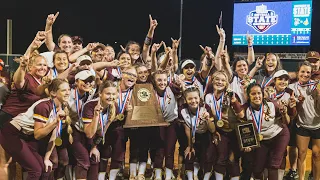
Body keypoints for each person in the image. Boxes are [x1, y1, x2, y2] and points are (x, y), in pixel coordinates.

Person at [0, 78, 70, 180]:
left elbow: (54, 136)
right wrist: (55, 122)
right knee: (35, 170)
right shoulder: (44, 106)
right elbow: (38, 134)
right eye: (64, 90)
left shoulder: (60, 109)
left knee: (45, 168)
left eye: (69, 90)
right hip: (12, 133)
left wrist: (46, 158)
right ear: (53, 93)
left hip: (26, 135)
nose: (68, 93)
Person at [243, 83, 292, 180]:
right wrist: (248, 145)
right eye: (253, 94)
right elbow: (246, 132)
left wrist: (284, 114)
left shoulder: (272, 105)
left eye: (259, 93)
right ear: (248, 96)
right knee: (257, 169)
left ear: (262, 94)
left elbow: (287, 122)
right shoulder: (246, 110)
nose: (257, 96)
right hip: (263, 139)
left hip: (279, 136)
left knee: (273, 165)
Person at [204, 71, 244, 180]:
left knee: (232, 159)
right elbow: (210, 116)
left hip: (234, 132)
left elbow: (241, 115)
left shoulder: (232, 95)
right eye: (217, 79)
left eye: (223, 80)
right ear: (212, 81)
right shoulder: (208, 97)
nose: (220, 82)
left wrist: (234, 102)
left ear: (227, 83)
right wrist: (213, 132)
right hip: (220, 132)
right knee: (218, 157)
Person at [288, 61, 320, 180]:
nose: (305, 74)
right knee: (301, 154)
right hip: (302, 125)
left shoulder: (316, 87)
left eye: (308, 72)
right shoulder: (292, 88)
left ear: (311, 74)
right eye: (303, 71)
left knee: (317, 155)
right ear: (298, 73)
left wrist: (318, 96)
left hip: (317, 125)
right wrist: (297, 103)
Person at [179, 86, 216, 180]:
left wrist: (208, 119)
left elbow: (212, 130)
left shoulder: (205, 108)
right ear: (185, 100)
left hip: (206, 134)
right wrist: (189, 145)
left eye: (196, 98)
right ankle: (192, 176)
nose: (193, 101)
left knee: (207, 156)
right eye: (190, 98)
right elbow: (187, 128)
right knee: (189, 154)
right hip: (192, 134)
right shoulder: (182, 110)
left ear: (200, 98)